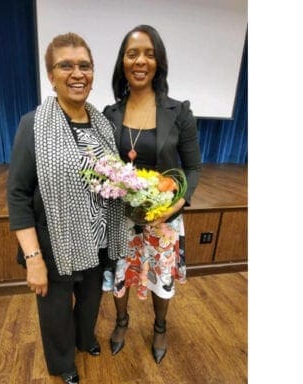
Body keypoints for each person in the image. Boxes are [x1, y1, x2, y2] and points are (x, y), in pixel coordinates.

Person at [7, 32, 129, 384]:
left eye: (84, 65)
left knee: (90, 303)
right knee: (56, 312)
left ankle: (83, 339)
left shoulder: (104, 125)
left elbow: (113, 180)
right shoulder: (33, 125)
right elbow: (17, 195)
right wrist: (33, 260)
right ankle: (63, 362)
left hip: (97, 240)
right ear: (51, 75)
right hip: (54, 243)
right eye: (66, 66)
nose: (77, 73)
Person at [102, 24, 201, 364]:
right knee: (120, 273)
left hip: (163, 216)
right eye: (132, 54)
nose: (140, 61)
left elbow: (193, 169)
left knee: (161, 277)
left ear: (158, 62)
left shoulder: (179, 112)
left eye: (149, 53)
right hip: (121, 216)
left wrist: (175, 206)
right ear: (123, 62)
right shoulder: (110, 114)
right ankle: (122, 321)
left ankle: (160, 326)